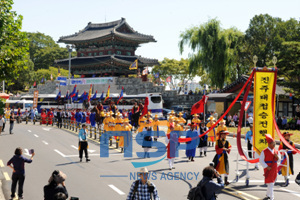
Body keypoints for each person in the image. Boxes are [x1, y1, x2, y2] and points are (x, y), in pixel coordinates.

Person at [259, 134, 281, 200]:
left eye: (274, 143)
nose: (274, 144)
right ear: (269, 144)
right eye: (272, 143)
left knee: (271, 183)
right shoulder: (264, 151)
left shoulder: (276, 151)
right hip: (268, 168)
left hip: (274, 169)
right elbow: (261, 160)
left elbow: (279, 159)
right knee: (271, 183)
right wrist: (266, 166)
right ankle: (272, 198)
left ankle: (268, 194)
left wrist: (277, 157)